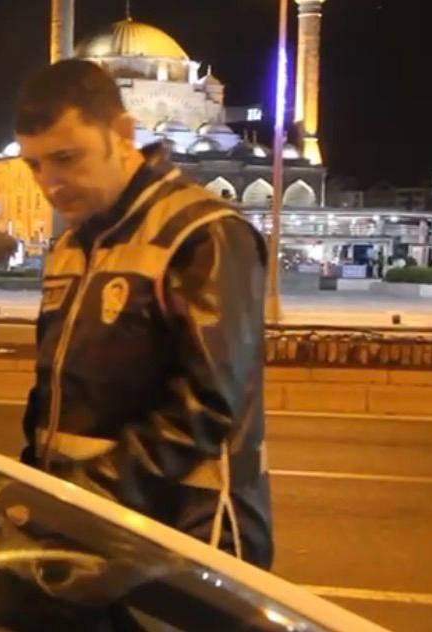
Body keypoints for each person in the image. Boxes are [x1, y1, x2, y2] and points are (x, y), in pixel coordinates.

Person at [14, 60, 273, 568]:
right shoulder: (72, 245)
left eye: (66, 158)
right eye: (34, 165)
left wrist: (90, 490)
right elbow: (54, 392)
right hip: (86, 528)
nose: (50, 183)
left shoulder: (202, 232)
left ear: (123, 134)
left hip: (183, 538)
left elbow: (206, 406)